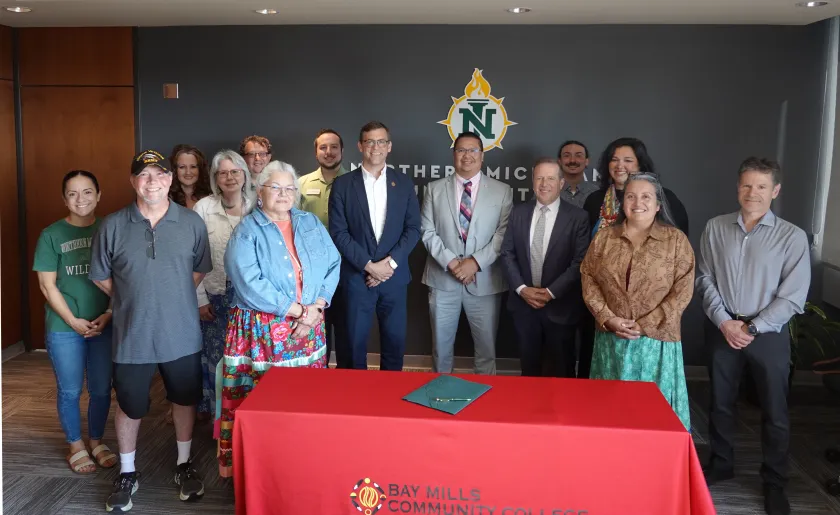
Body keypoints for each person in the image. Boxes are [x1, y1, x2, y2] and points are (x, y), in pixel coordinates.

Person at [90, 149, 212, 512]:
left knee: (184, 399)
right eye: (144, 175)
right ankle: (127, 471)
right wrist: (133, 297)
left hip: (181, 334)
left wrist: (168, 296)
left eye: (159, 175)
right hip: (132, 337)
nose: (152, 181)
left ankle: (183, 463)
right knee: (129, 405)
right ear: (133, 181)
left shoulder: (191, 222)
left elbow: (199, 270)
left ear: (170, 180)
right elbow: (100, 275)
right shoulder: (112, 225)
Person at [696, 157, 810, 515]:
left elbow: (793, 295)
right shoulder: (715, 227)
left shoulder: (792, 236)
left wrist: (753, 327)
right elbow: (704, 279)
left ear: (775, 191)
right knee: (719, 402)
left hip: (768, 334)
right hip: (722, 329)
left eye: (762, 186)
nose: (753, 193)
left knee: (775, 411)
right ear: (737, 187)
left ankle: (774, 481)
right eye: (747, 185)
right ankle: (721, 462)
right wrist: (724, 322)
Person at [219, 160, 340, 477]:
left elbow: (333, 263)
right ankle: (264, 466)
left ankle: (303, 456)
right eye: (276, 188)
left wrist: (317, 305)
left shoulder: (310, 222)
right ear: (260, 192)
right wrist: (300, 311)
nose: (284, 194)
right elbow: (248, 284)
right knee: (264, 401)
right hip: (262, 332)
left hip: (310, 325)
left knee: (305, 398)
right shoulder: (247, 231)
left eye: (290, 188)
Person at [581, 173, 694, 430]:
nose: (637, 202)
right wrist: (608, 318)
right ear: (623, 203)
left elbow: (683, 291)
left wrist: (645, 324)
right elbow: (588, 278)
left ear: (657, 205)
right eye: (630, 196)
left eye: (646, 197)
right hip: (612, 340)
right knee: (609, 413)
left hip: (657, 343)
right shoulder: (604, 238)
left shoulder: (676, 241)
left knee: (654, 416)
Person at [33, 170, 116, 475]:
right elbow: (47, 285)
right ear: (64, 198)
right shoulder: (51, 235)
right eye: (72, 193)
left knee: (101, 389)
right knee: (69, 390)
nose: (80, 199)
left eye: (87, 192)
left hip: (104, 323)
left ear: (98, 195)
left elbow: (122, 277)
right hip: (64, 327)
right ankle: (75, 445)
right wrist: (72, 320)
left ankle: (95, 441)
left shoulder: (110, 228)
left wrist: (108, 313)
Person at [328, 121, 421, 371]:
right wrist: (369, 266)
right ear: (360, 146)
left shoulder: (403, 183)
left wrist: (388, 265)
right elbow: (339, 232)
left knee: (394, 346)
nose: (375, 147)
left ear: (389, 147)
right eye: (370, 141)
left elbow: (413, 229)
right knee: (353, 347)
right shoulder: (343, 184)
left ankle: (388, 403)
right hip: (357, 278)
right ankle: (354, 404)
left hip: (394, 277)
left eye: (381, 141)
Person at [421, 131, 513, 374]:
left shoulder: (503, 191)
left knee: (486, 352)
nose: (467, 155)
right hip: (442, 280)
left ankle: (486, 408)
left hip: (484, 281)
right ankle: (439, 400)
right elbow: (427, 231)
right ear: (454, 155)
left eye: (473, 150)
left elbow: (502, 235)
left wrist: (474, 263)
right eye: (461, 150)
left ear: (482, 156)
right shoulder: (434, 189)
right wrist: (452, 263)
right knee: (441, 352)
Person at [500, 158, 590, 377]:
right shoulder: (518, 212)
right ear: (532, 182)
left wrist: (550, 293)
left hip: (560, 307)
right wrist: (522, 289)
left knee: (563, 370)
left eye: (550, 178)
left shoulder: (578, 217)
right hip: (524, 306)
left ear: (561, 184)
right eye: (539, 178)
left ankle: (562, 412)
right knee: (529, 371)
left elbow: (580, 262)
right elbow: (507, 253)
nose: (544, 183)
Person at [193, 150, 253, 422]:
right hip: (214, 297)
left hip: (250, 300)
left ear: (245, 175)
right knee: (218, 362)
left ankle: (246, 419)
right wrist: (200, 299)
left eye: (235, 171)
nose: (230, 177)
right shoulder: (203, 208)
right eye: (223, 173)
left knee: (246, 362)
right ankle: (220, 421)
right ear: (215, 178)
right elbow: (192, 259)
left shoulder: (257, 205)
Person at [299, 129, 350, 367]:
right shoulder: (301, 184)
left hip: (346, 269)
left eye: (334, 147)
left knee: (347, 330)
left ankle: (347, 386)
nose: (328, 152)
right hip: (311, 274)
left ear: (342, 150)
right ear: (315, 151)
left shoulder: (354, 182)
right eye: (323, 147)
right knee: (316, 330)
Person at [583, 137, 689, 237]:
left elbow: (679, 241)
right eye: (614, 160)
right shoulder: (594, 200)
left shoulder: (662, 197)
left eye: (628, 160)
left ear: (640, 165)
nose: (619, 166)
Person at [169, 144, 212, 210]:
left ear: (200, 169)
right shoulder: (167, 198)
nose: (188, 172)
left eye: (193, 167)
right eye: (182, 167)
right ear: (175, 170)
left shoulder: (211, 197)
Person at [558, 140, 598, 208]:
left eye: (578, 156)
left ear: (586, 161)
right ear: (560, 161)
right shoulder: (548, 190)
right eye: (567, 156)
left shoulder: (596, 193)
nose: (572, 160)